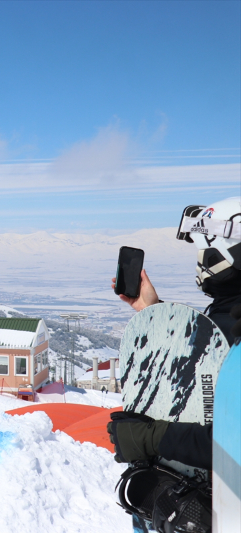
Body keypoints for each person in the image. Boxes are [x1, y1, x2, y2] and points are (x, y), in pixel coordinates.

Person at [107, 197, 241, 531]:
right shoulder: (229, 316)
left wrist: (152, 438)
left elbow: (234, 443)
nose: (200, 263)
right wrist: (154, 312)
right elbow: (211, 358)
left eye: (203, 251)